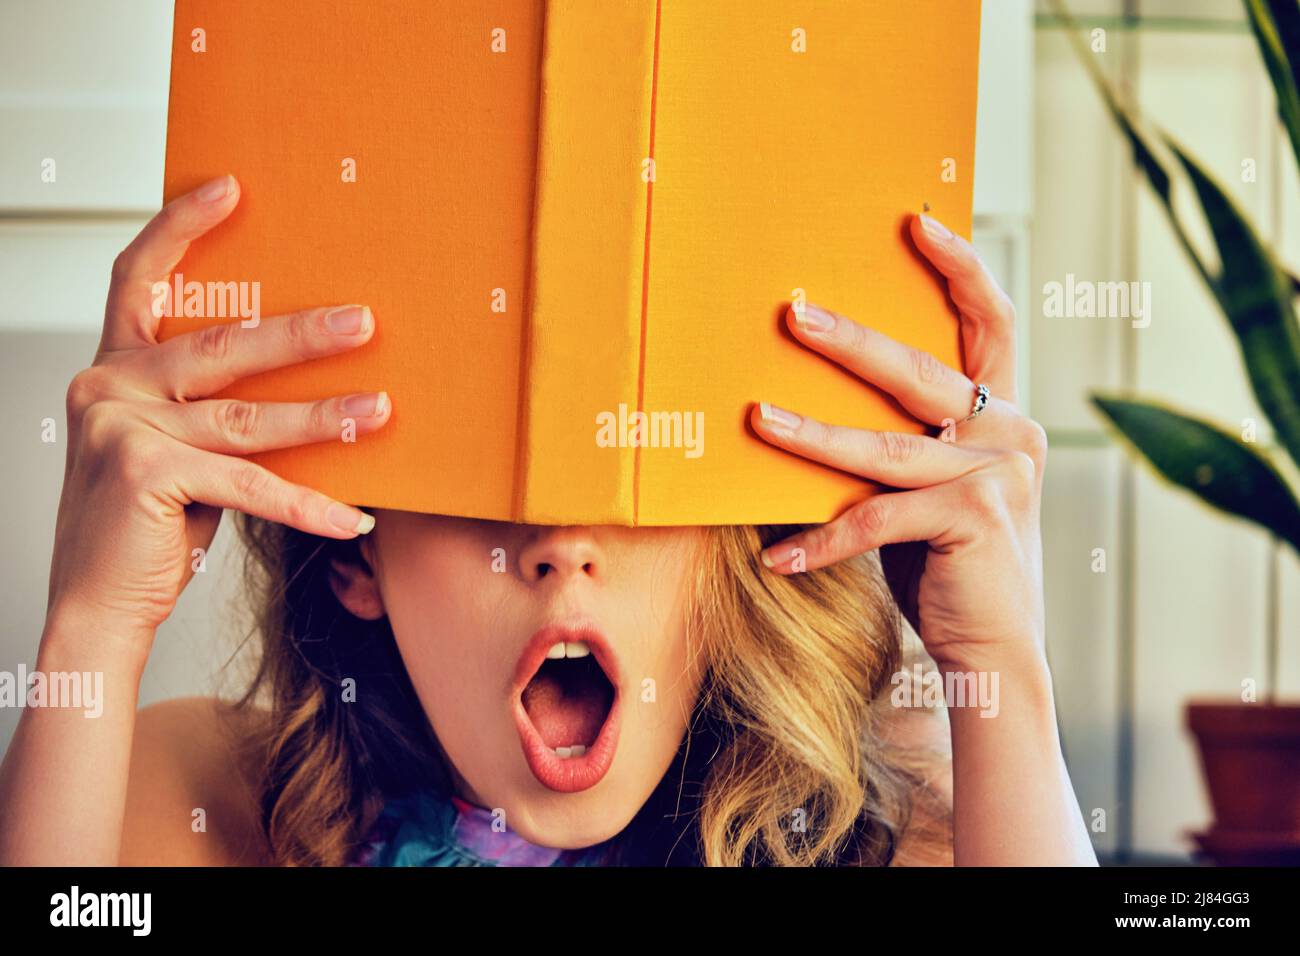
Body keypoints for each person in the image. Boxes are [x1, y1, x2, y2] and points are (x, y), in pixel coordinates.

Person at [0, 175, 1096, 866]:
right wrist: (91, 630)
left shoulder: (898, 831)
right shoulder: (195, 797)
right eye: (479, 475)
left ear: (734, 547)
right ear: (351, 551)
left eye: (637, 463)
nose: (561, 543)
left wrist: (1002, 663)